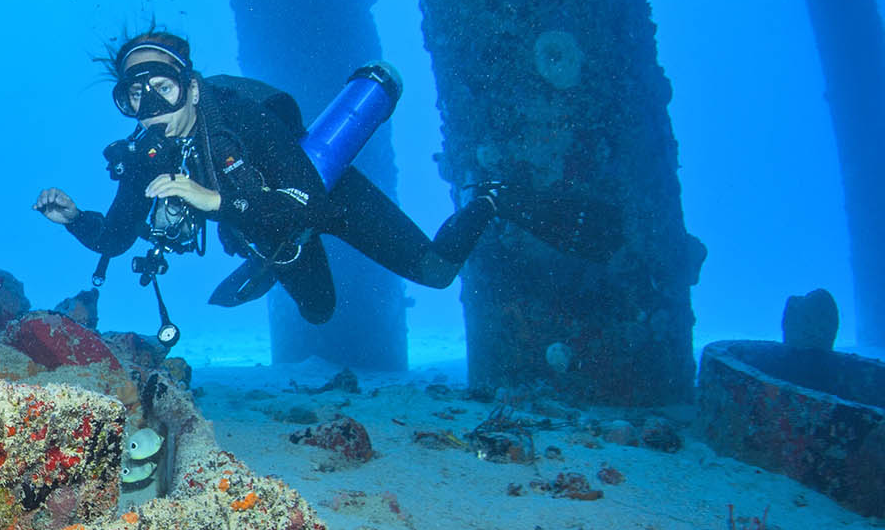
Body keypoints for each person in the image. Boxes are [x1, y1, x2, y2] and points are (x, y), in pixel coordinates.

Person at [34, 31, 618, 327]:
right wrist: (72, 219)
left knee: (438, 273)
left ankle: (491, 200)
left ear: (188, 84)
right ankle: (275, 260)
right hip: (276, 234)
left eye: (159, 86)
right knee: (318, 314)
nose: (148, 105)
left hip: (327, 198)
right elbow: (116, 238)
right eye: (132, 96)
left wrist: (212, 198)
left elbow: (307, 196)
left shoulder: (238, 113)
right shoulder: (145, 155)